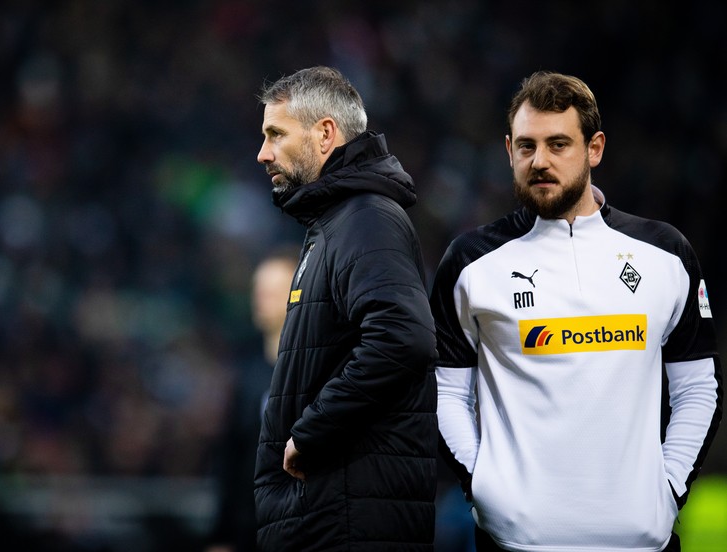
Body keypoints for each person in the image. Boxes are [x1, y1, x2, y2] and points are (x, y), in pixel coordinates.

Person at [429, 70, 723, 552]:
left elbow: (698, 387)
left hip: (641, 541)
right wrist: (484, 485)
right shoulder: (470, 262)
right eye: (526, 146)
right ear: (508, 151)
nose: (539, 161)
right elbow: (446, 391)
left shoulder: (666, 253)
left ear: (595, 148)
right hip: (515, 542)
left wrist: (668, 489)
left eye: (558, 144)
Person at [252, 66, 439, 551]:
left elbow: (403, 337)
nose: (263, 153)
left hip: (348, 521)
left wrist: (311, 432)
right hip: (331, 514)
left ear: (326, 134)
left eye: (276, 134)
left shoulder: (366, 219)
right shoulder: (337, 222)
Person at [206, 249, 298, 552]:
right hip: (250, 529)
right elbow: (232, 457)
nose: (261, 299)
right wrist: (222, 535)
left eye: (272, 291)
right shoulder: (246, 374)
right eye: (258, 290)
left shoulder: (314, 372)